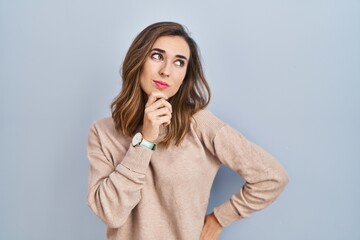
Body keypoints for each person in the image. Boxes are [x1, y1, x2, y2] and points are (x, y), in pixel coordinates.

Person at [86, 21, 289, 240]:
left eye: (179, 62)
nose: (166, 71)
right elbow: (111, 214)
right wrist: (145, 141)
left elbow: (272, 177)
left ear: (185, 75)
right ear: (138, 60)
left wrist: (219, 218)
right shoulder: (103, 132)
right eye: (157, 56)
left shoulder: (200, 125)